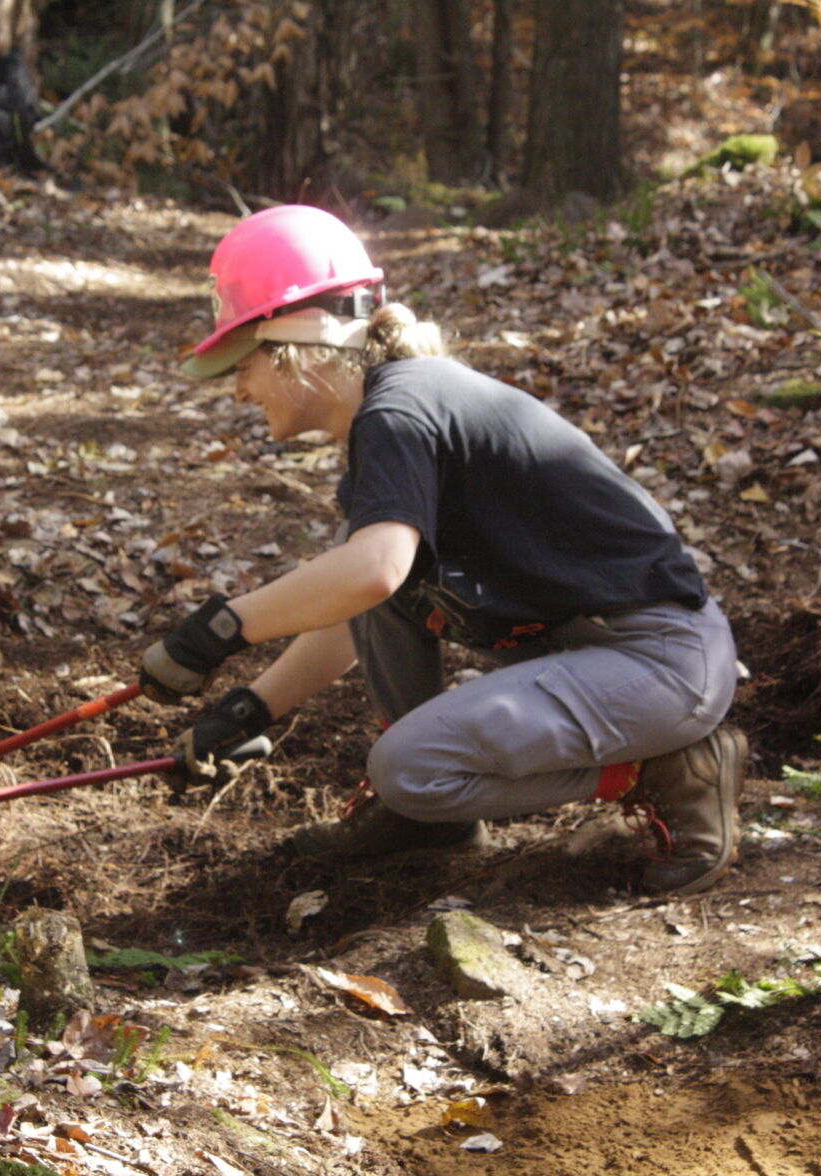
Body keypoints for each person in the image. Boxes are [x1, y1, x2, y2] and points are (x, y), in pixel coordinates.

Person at [139, 204, 746, 896]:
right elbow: (359, 596)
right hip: (603, 655)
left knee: (407, 766)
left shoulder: (398, 413)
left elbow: (373, 573)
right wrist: (250, 709)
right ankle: (428, 821)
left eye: (240, 364)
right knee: (371, 585)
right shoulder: (398, 414)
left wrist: (221, 630)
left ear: (292, 342)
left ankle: (669, 770)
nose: (239, 389)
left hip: (657, 663)